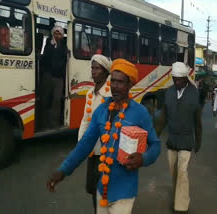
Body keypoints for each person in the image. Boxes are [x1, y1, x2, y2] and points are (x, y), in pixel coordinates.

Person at [46, 59, 161, 214]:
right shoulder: (101, 110)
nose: (115, 86)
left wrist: (143, 159)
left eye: (120, 82)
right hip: (102, 188)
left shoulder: (140, 113)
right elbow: (85, 145)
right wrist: (63, 170)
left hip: (124, 192)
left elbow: (156, 145)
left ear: (130, 84)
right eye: (112, 81)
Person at [156, 62, 202, 213]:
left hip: (187, 140)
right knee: (173, 172)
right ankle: (177, 197)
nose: (177, 82)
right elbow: (163, 117)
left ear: (185, 78)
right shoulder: (169, 92)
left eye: (179, 79)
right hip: (172, 141)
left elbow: (197, 120)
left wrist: (198, 140)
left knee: (182, 172)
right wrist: (154, 136)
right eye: (174, 79)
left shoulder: (194, 93)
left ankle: (181, 206)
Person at [77, 55, 112, 213]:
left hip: (106, 152)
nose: (94, 71)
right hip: (92, 151)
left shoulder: (111, 94)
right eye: (92, 68)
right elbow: (85, 120)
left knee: (103, 189)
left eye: (97, 68)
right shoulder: (90, 93)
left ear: (105, 72)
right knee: (92, 188)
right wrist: (81, 144)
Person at [42, 25, 68, 129]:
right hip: (48, 76)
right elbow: (44, 58)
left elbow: (64, 59)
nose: (57, 35)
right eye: (56, 33)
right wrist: (51, 47)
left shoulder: (64, 45)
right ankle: (44, 123)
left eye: (59, 33)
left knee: (56, 101)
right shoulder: (49, 43)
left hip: (59, 77)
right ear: (53, 34)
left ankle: (54, 123)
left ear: (62, 36)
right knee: (46, 99)